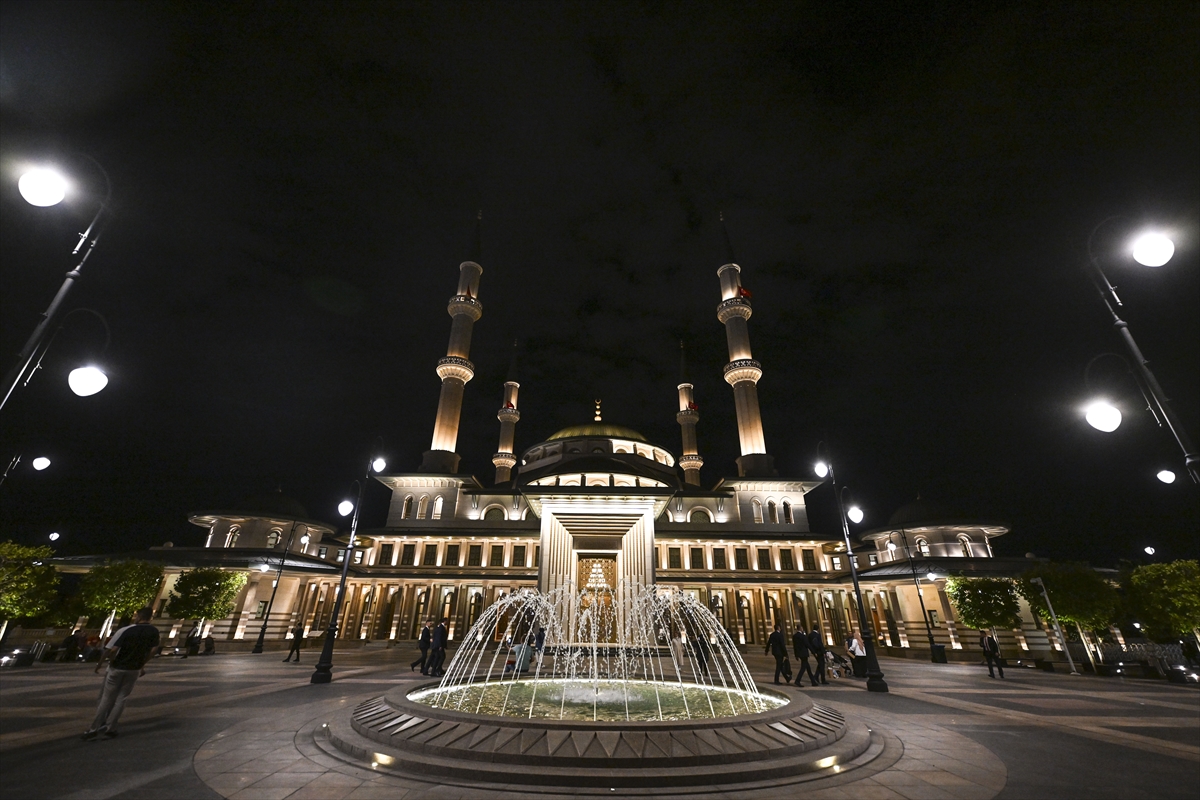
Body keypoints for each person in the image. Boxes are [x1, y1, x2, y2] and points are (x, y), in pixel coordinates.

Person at [82, 607, 161, 740]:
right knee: (122, 698)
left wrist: (108, 662)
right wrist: (142, 663)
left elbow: (113, 650)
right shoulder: (154, 631)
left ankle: (94, 728)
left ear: (140, 616)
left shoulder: (128, 630)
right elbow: (153, 650)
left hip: (118, 667)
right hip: (134, 668)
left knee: (106, 698)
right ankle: (111, 728)